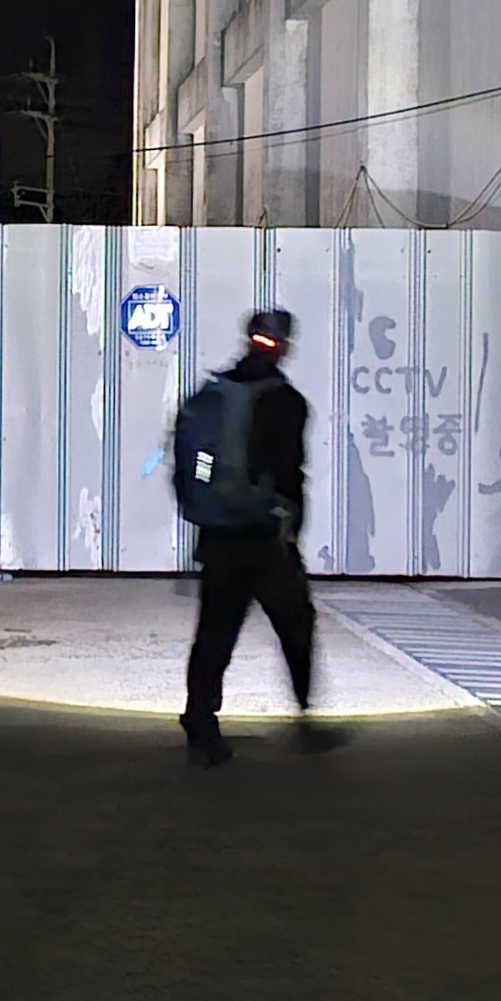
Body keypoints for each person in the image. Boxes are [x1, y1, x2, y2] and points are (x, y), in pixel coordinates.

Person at [177, 306, 318, 767]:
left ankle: (200, 718)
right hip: (264, 538)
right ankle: (305, 710)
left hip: (219, 535)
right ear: (285, 346)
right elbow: (291, 474)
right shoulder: (286, 402)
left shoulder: (214, 394)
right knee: (296, 622)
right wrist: (292, 527)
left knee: (215, 634)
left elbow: (194, 463)